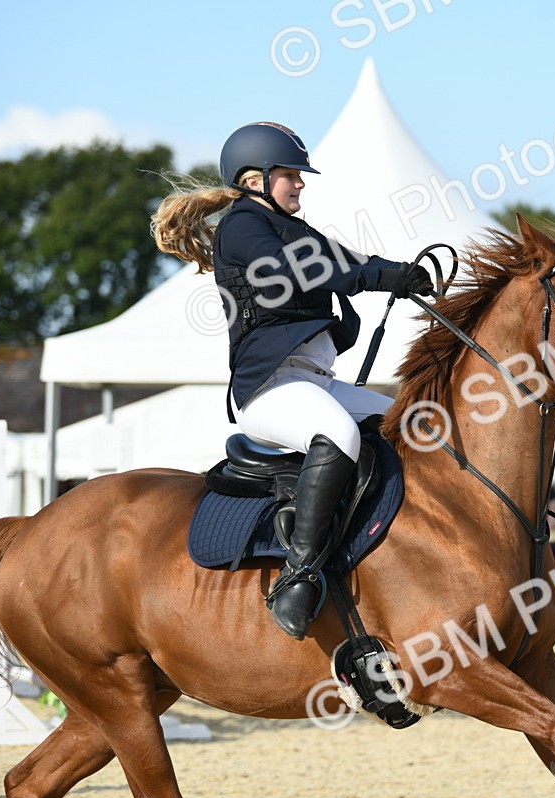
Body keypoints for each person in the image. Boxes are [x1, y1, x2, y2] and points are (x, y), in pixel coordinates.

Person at [151, 122, 434, 639]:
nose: (300, 183)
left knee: (409, 424)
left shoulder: (293, 229)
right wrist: (376, 277)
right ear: (255, 180)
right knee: (340, 436)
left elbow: (340, 261)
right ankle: (298, 574)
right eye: (290, 175)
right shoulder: (241, 227)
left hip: (314, 382)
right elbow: (300, 270)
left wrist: (397, 272)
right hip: (270, 389)